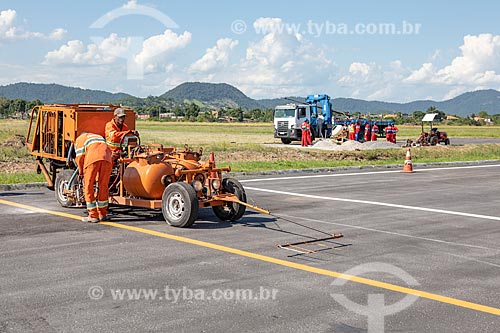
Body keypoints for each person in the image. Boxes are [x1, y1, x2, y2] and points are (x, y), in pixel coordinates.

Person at [74, 133, 113, 223]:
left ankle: (93, 215)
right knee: (103, 186)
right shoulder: (96, 137)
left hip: (93, 159)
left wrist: (81, 172)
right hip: (107, 159)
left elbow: (80, 158)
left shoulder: (79, 140)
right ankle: (102, 214)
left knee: (88, 186)